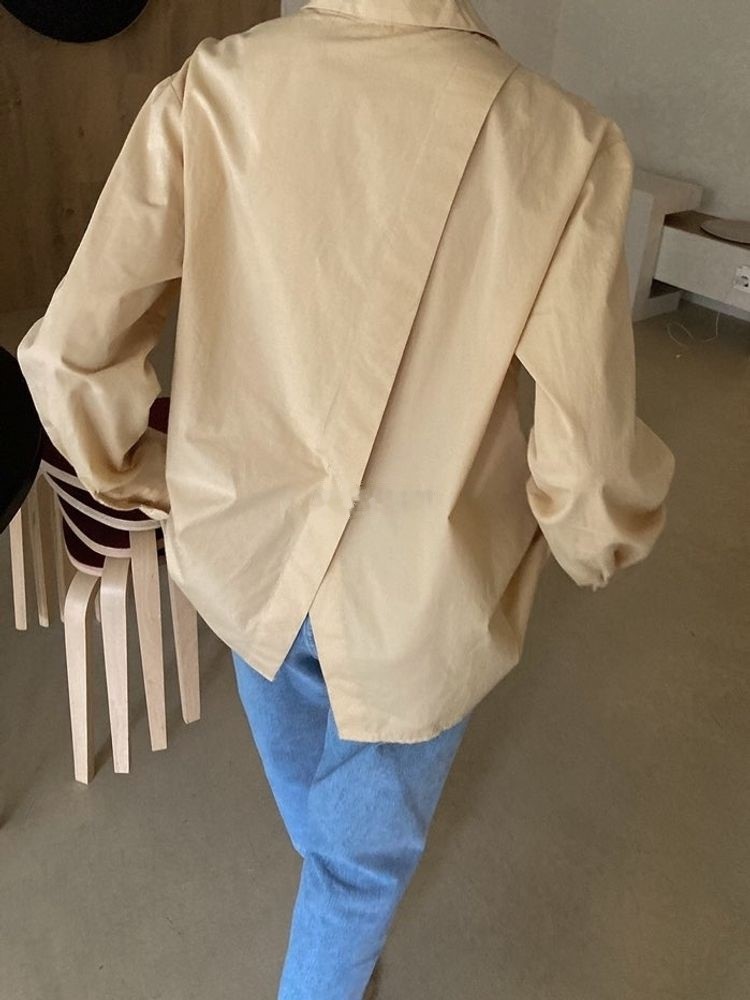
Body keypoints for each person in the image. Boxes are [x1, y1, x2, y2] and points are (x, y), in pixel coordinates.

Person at [17, 1, 675, 996]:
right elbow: (587, 467)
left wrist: (142, 475)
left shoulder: (215, 87)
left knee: (324, 829)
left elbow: (72, 351)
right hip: (420, 593)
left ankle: (334, 928)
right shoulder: (559, 142)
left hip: (244, 556)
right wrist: (599, 540)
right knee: (357, 866)